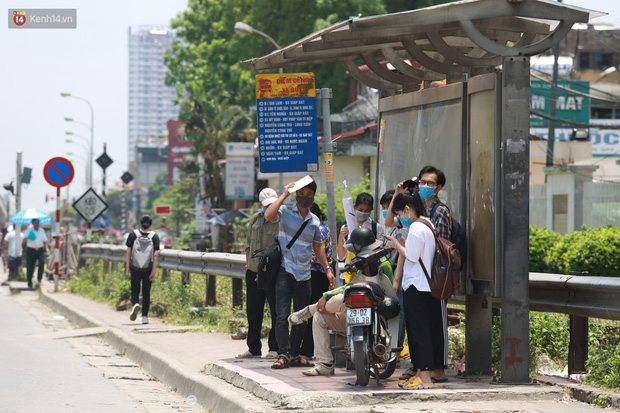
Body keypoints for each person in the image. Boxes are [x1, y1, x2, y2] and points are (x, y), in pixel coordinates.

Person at [288, 227, 386, 376]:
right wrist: (327, 295)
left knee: (338, 300)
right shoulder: (356, 265)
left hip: (377, 314)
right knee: (320, 317)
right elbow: (348, 288)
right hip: (352, 311)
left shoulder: (382, 264)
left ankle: (310, 309)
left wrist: (326, 296)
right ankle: (325, 363)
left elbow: (390, 290)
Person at [264, 178, 336, 369]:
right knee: (282, 315)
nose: (303, 196)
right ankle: (283, 353)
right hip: (285, 271)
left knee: (302, 316)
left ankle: (295, 354)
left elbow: (318, 247)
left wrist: (328, 269)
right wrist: (284, 194)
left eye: (307, 193)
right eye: (300, 193)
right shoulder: (285, 212)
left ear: (313, 195)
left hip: (305, 274)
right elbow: (268, 215)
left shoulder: (314, 221)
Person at [385, 190, 444, 390]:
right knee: (418, 330)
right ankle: (420, 372)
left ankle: (425, 376)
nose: (401, 217)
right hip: (421, 285)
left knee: (419, 332)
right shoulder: (428, 224)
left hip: (417, 285)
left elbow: (411, 256)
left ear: (408, 209)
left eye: (401, 213)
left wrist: (396, 246)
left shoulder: (418, 228)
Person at [236, 188, 280, 359]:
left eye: (272, 204)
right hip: (253, 271)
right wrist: (250, 266)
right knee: (254, 312)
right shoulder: (255, 219)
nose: (269, 207)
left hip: (272, 273)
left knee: (277, 311)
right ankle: (253, 348)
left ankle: (274, 348)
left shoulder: (280, 220)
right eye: (267, 205)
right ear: (261, 204)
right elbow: (248, 244)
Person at [299, 203, 333, 361]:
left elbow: (314, 254)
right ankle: (306, 350)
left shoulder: (313, 229)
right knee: (313, 312)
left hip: (312, 274)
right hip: (322, 274)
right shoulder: (325, 228)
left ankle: (304, 351)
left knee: (308, 312)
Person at [337, 192, 384, 284]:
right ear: (354, 207)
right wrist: (341, 238)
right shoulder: (345, 228)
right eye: (360, 209)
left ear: (371, 210)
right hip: (349, 275)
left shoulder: (376, 228)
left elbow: (380, 253)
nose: (363, 213)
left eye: (367, 211)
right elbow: (341, 256)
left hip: (370, 275)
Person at [125, 215, 160, 324]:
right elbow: (156, 254)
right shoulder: (154, 236)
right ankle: (144, 317)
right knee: (146, 292)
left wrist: (128, 267)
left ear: (140, 222)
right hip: (148, 268)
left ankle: (135, 304)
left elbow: (128, 252)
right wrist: (153, 270)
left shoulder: (133, 235)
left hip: (135, 267)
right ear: (151, 223)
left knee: (135, 290)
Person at [22, 219, 50, 289]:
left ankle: (39, 278)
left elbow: (45, 241)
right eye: (35, 223)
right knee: (30, 266)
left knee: (42, 262)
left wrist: (46, 248)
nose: (36, 224)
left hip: (40, 249)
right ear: (33, 224)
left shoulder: (41, 230)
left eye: (37, 223)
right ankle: (29, 282)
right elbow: (24, 241)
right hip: (31, 250)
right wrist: (27, 237)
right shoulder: (29, 231)